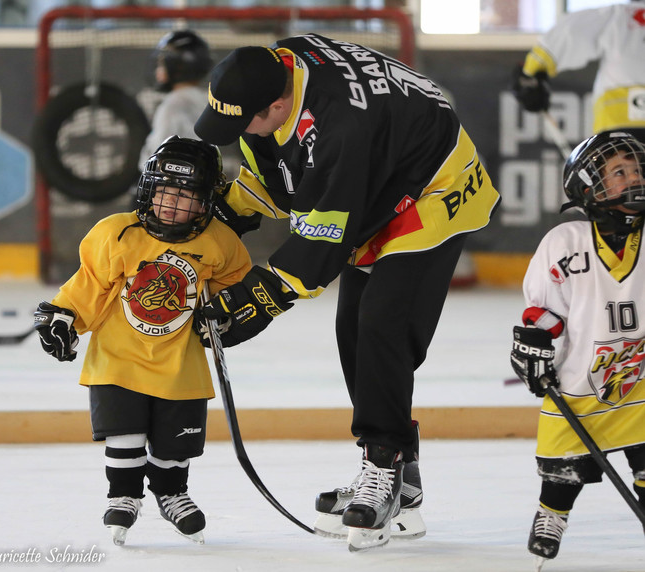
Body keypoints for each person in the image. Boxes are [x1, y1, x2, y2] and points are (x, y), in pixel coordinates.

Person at [191, 36, 501, 550]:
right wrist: (229, 212)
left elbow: (321, 239)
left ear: (279, 104)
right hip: (382, 175)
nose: (236, 131)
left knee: (383, 324)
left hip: (433, 187)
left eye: (244, 119)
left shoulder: (341, 129)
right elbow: (284, 169)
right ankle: (405, 482)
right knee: (352, 329)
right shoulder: (278, 66)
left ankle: (385, 464)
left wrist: (258, 298)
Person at [33, 136, 252, 546]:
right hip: (118, 358)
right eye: (165, 191)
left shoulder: (221, 242)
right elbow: (90, 286)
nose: (171, 203)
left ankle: (171, 492)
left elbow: (233, 288)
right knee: (125, 435)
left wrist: (225, 316)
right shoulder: (116, 233)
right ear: (149, 188)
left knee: (175, 446)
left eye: (185, 195)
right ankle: (124, 495)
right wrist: (64, 316)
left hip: (179, 364)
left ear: (205, 202)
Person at [510, 132, 645, 567]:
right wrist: (534, 345)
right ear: (589, 186)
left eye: (636, 169)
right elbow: (544, 312)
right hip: (581, 379)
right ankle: (553, 513)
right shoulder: (566, 241)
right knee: (562, 467)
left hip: (640, 379)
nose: (633, 178)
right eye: (618, 172)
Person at [511, 1, 645, 142]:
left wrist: (530, 72)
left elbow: (569, 33)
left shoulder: (620, 15)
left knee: (618, 160)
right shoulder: (619, 16)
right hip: (617, 128)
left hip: (617, 131)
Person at [137, 30, 213, 173]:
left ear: (176, 65)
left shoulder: (173, 105)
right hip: (199, 181)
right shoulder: (206, 100)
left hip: (172, 185)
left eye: (162, 62)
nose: (158, 69)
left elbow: (155, 156)